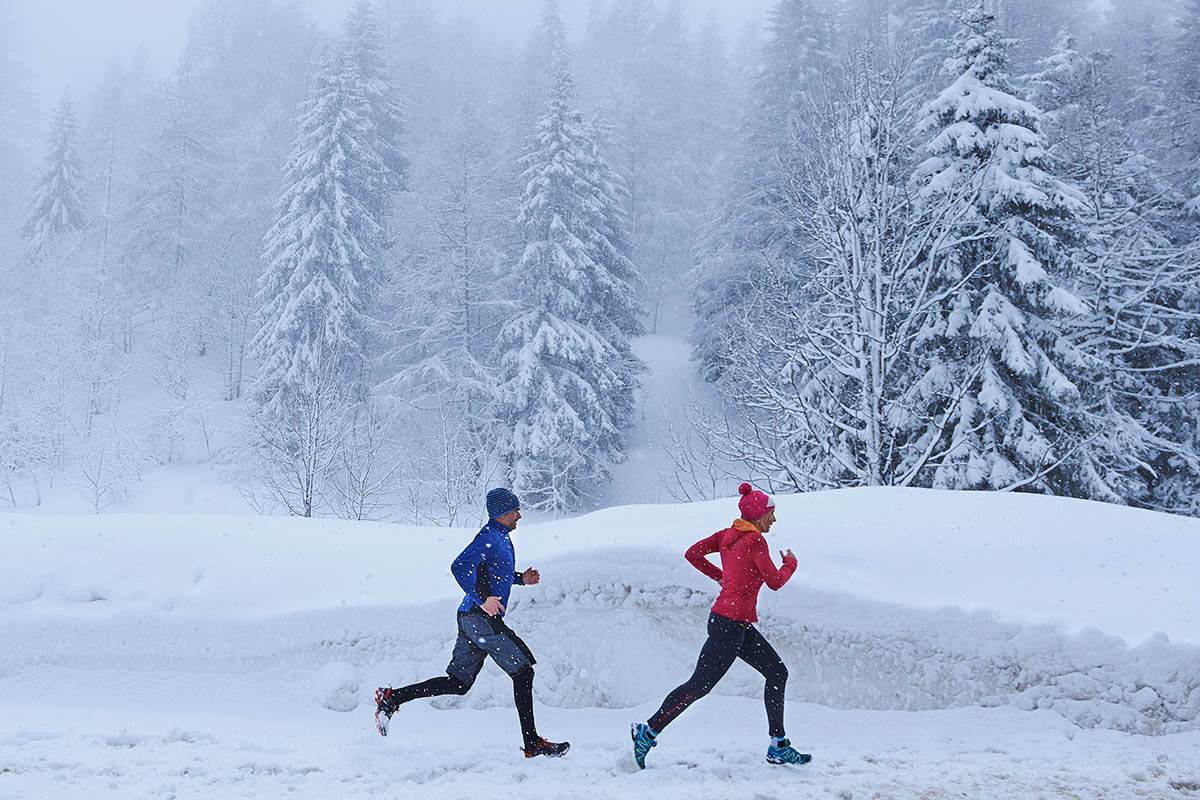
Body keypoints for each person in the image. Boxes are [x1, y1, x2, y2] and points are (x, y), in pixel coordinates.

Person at [374, 487, 569, 758]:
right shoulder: (489, 537)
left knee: (458, 683)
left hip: (471, 618)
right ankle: (532, 743)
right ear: (502, 513)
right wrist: (482, 599)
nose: (520, 516)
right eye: (515, 510)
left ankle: (392, 698)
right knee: (523, 671)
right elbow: (459, 566)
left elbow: (494, 573)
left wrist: (520, 579)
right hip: (480, 618)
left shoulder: (500, 538)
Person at [630, 482, 809, 768]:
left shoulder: (727, 535)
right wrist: (790, 563)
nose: (774, 519)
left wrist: (720, 576)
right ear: (759, 515)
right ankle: (647, 731)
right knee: (698, 686)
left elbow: (692, 554)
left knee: (777, 673)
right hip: (729, 625)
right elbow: (775, 581)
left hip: (733, 623)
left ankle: (778, 745)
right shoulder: (755, 541)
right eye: (771, 514)